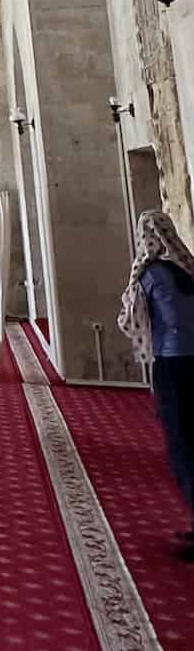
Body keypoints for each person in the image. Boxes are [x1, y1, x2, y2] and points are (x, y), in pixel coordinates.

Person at [119, 208, 194, 554]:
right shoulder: (186, 267)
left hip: (173, 362)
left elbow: (130, 321)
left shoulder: (152, 274)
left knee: (182, 443)